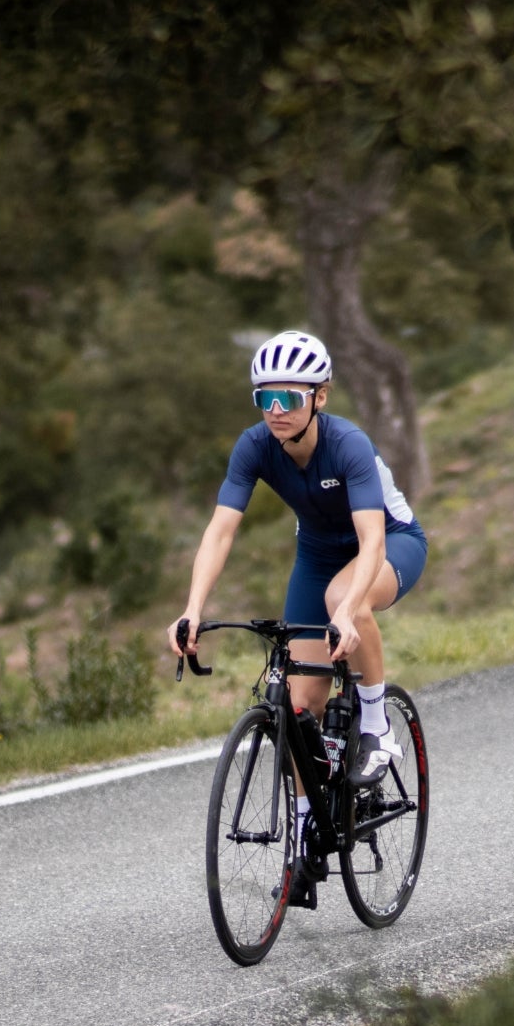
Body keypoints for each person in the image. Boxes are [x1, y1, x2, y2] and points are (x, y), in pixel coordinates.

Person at [169, 330, 427, 901]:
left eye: (289, 397)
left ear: (320, 397)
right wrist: (192, 610)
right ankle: (310, 824)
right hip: (316, 555)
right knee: (294, 702)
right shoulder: (254, 446)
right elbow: (220, 531)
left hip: (388, 545)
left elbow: (373, 540)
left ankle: (377, 720)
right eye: (266, 399)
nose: (277, 411)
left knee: (343, 600)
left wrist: (351, 611)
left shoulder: (348, 445)